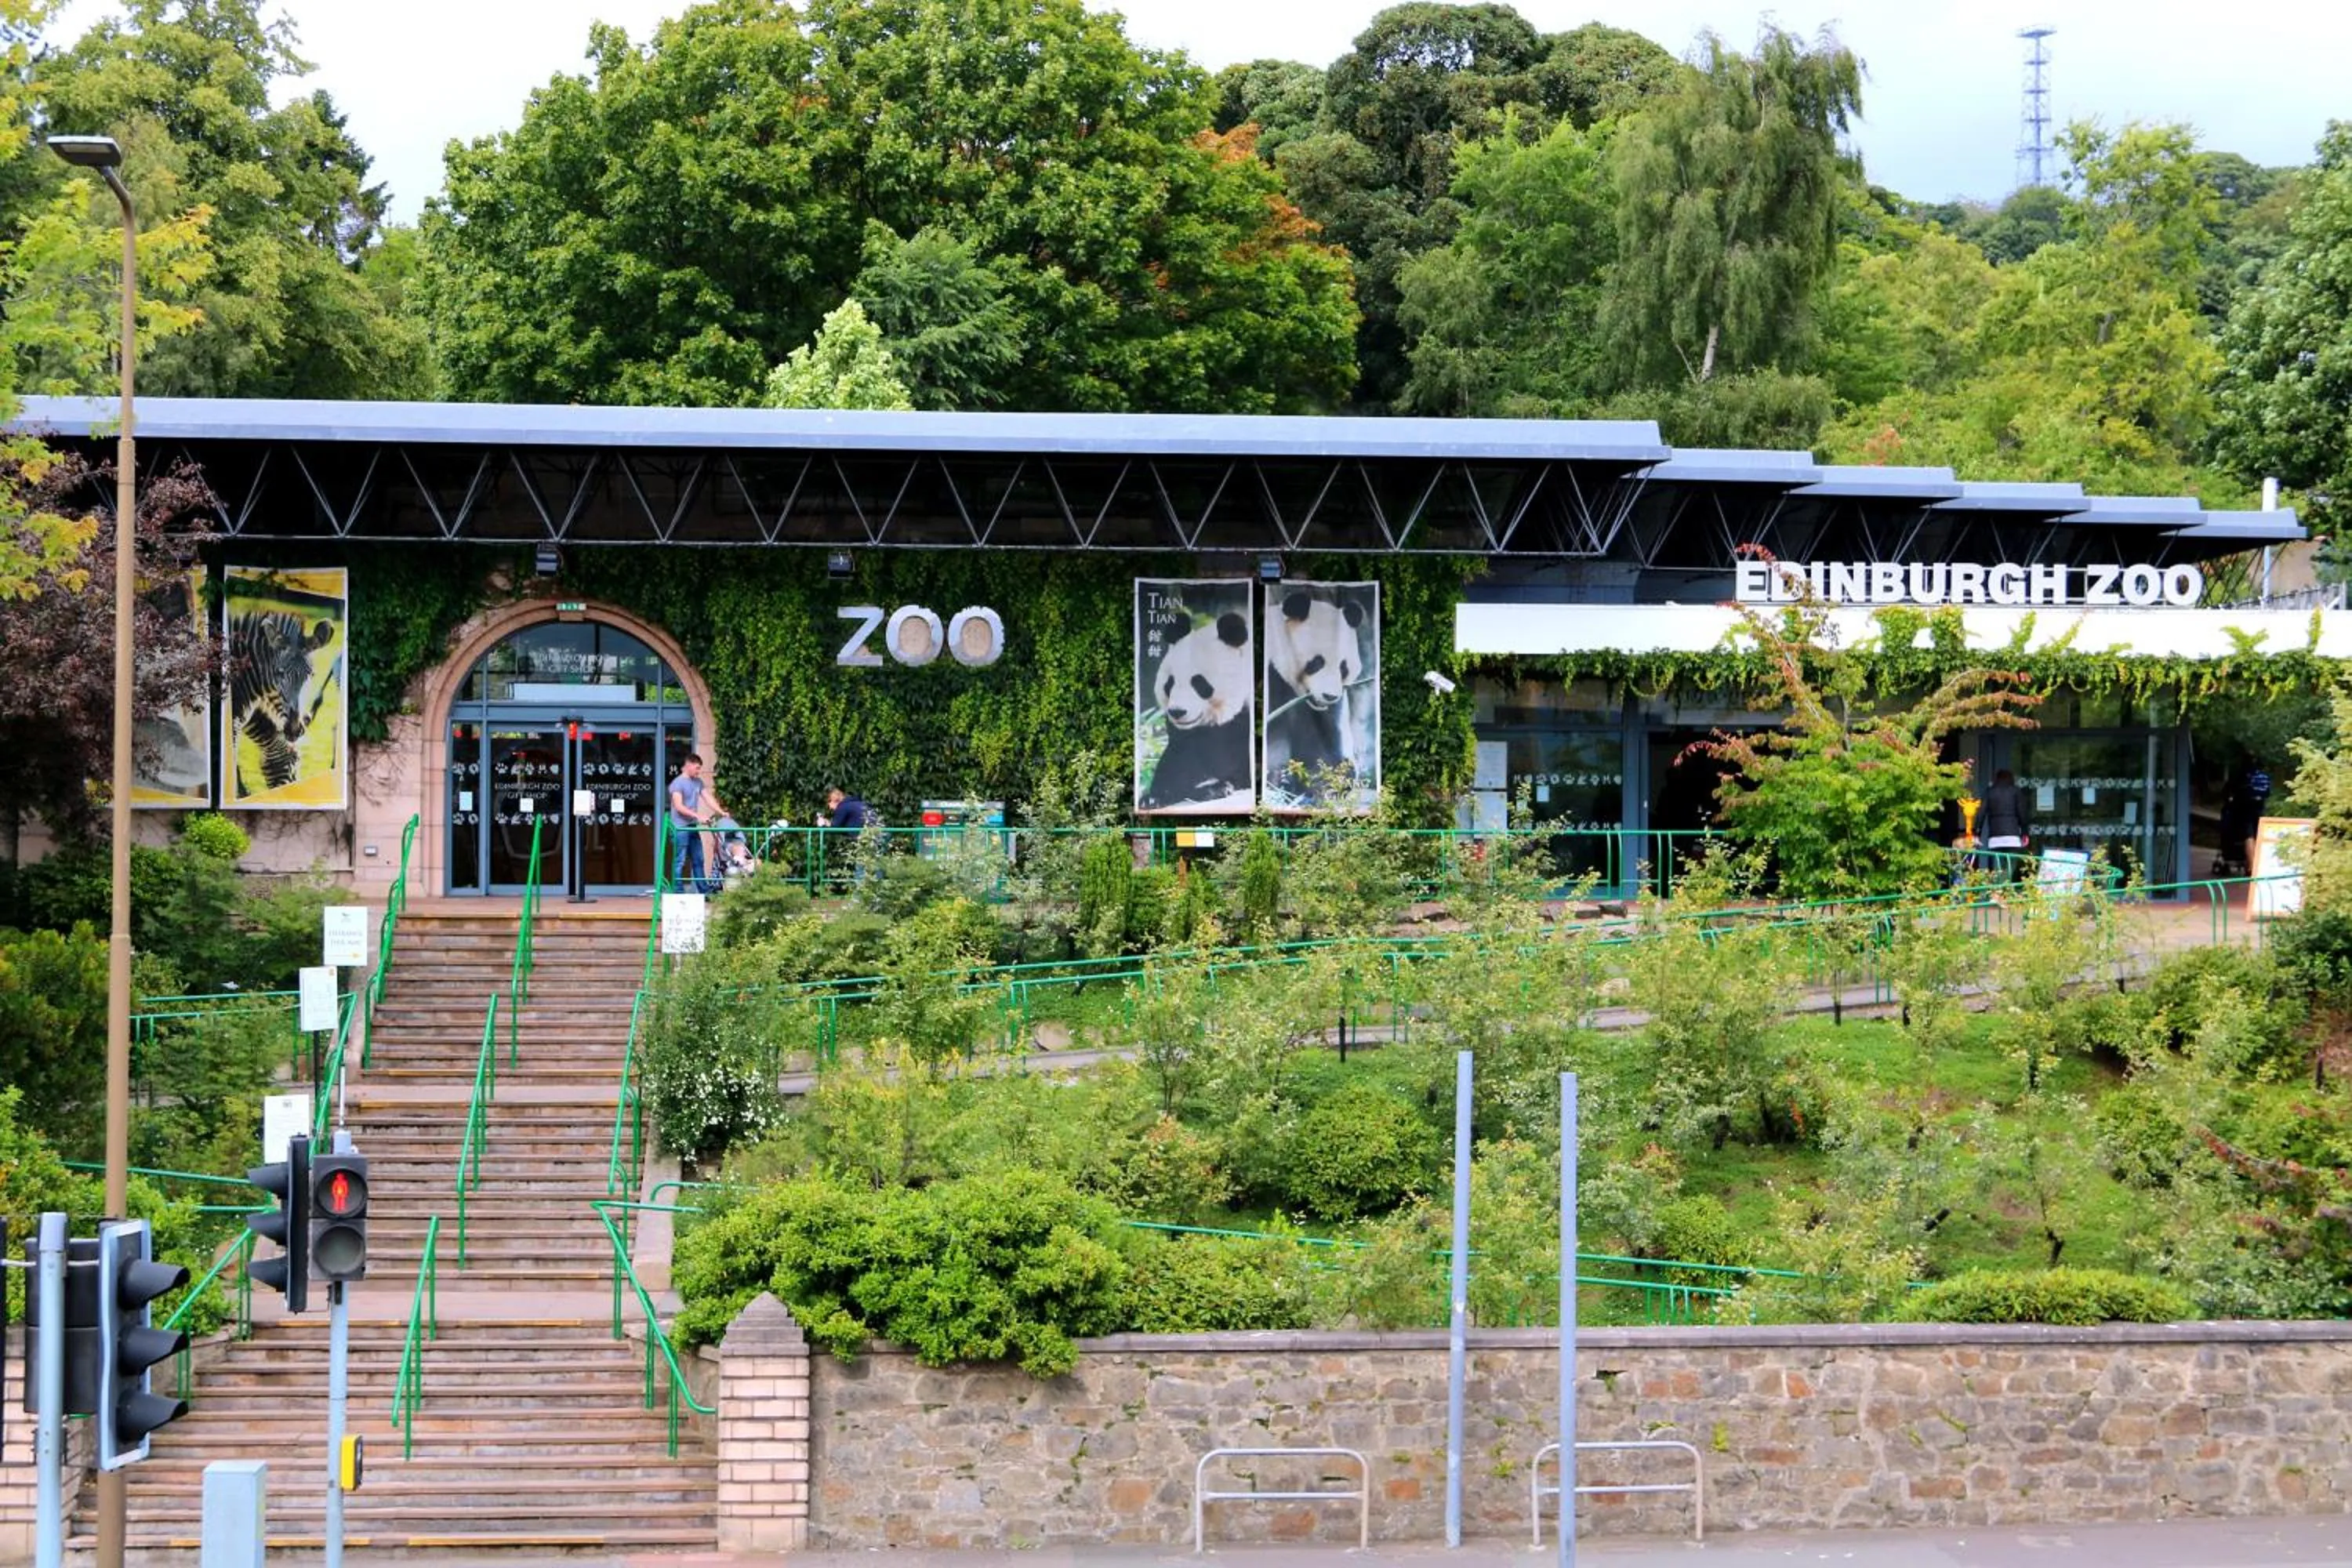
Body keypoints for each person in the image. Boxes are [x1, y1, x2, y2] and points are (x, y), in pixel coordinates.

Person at [667, 752, 717, 893]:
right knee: (680, 861)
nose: (699, 771)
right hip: (680, 828)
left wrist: (721, 812)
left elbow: (708, 798)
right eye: (697, 768)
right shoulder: (677, 783)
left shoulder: (698, 782)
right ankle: (678, 892)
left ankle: (705, 892)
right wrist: (698, 816)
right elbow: (679, 806)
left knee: (698, 860)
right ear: (688, 765)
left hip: (692, 827)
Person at [1981, 768, 2031, 879]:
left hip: (1995, 837)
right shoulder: (2015, 791)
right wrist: (2025, 833)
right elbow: (2022, 814)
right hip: (2012, 836)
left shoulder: (1990, 792)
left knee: (1999, 866)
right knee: (2010, 866)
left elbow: (1981, 812)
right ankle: (2001, 891)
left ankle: (1998, 891)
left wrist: (1977, 832)